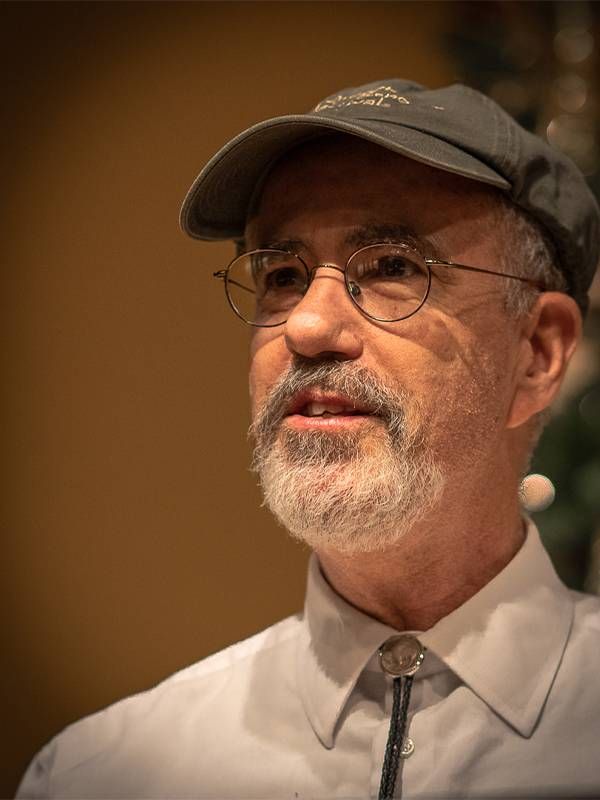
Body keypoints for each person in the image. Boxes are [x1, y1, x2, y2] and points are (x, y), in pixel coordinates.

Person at [17, 79, 600, 799]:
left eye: (393, 268)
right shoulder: (104, 773)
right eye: (283, 275)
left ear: (537, 352)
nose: (307, 327)